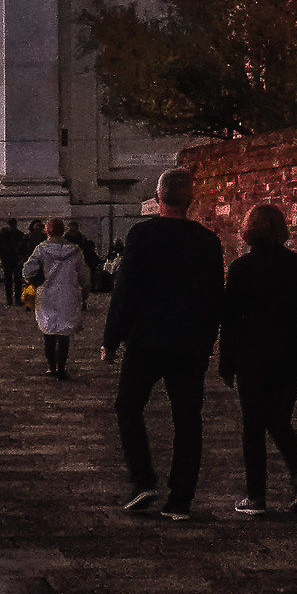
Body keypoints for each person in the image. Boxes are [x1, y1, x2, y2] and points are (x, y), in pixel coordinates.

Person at [102, 168, 227, 519]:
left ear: (158, 198)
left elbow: (126, 289)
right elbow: (215, 296)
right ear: (191, 200)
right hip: (189, 342)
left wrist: (112, 338)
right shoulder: (207, 240)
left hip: (146, 339)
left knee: (128, 407)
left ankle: (143, 479)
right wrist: (209, 340)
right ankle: (180, 499)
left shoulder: (142, 235)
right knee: (188, 418)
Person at [218, 204, 297, 517]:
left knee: (254, 425)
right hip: (290, 352)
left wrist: (225, 363)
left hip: (251, 355)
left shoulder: (242, 268)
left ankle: (257, 495)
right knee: (278, 418)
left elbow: (228, 319)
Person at [22, 220, 88, 377]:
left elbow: (27, 270)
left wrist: (30, 279)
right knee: (64, 334)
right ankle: (62, 368)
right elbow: (84, 273)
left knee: (48, 331)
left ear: (47, 231)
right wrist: (85, 289)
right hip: (68, 294)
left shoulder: (41, 249)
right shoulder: (74, 250)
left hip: (46, 295)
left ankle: (52, 367)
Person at [0, 218, 30, 304]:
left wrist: (2, 257)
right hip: (15, 260)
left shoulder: (2, 235)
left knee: (8, 280)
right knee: (17, 280)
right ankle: (17, 299)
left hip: (8, 260)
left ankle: (9, 299)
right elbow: (24, 248)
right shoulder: (20, 234)